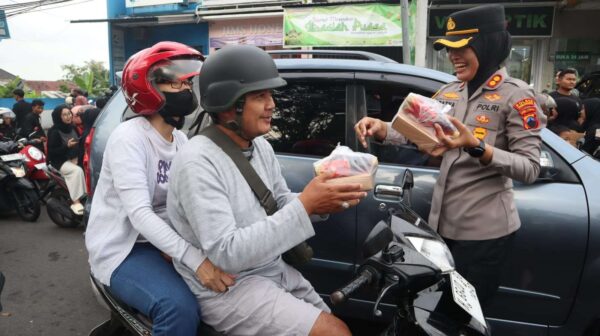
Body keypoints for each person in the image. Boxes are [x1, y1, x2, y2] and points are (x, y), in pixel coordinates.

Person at [355, 4, 545, 312]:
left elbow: (530, 168)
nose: (452, 56)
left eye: (462, 48)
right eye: (448, 49)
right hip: (440, 230)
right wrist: (381, 128)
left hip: (484, 237)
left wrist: (478, 148)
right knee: (434, 312)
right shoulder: (449, 91)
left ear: (487, 44)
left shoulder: (518, 96)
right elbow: (415, 131)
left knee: (465, 317)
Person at [167, 45, 364, 336]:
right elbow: (226, 252)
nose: (272, 104)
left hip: (270, 269)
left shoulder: (260, 146)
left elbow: (278, 202)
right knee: (335, 333)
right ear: (228, 105)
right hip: (231, 287)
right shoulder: (197, 162)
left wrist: (323, 203)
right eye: (260, 96)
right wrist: (306, 205)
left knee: (332, 320)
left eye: (270, 95)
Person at [85, 41, 234, 336]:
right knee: (177, 308)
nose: (185, 89)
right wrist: (196, 260)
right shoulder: (130, 138)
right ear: (147, 88)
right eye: (174, 82)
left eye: (187, 83)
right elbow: (140, 214)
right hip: (125, 249)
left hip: (163, 243)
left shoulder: (181, 141)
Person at [47, 105, 86, 215]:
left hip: (74, 157)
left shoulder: (73, 127)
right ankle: (76, 201)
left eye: (69, 114)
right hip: (60, 161)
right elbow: (52, 151)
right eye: (64, 115)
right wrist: (66, 146)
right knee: (76, 171)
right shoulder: (54, 131)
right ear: (58, 117)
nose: (68, 117)